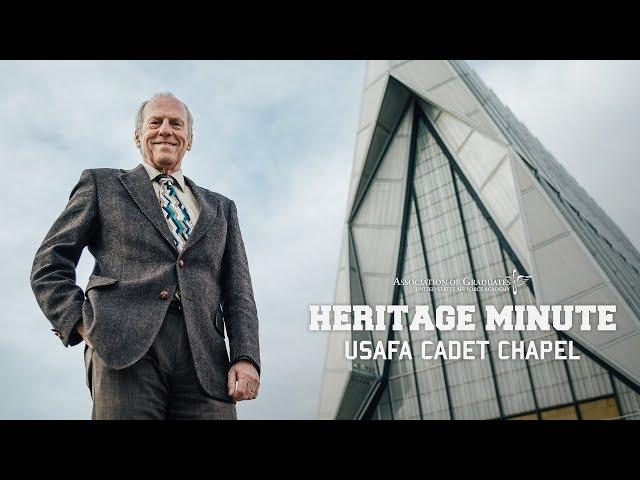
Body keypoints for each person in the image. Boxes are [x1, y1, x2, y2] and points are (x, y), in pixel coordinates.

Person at [30, 92, 260, 420]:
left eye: (176, 124)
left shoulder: (221, 208)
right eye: (156, 122)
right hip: (123, 347)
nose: (166, 129)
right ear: (138, 136)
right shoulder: (102, 184)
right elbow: (49, 262)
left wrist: (246, 357)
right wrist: (80, 322)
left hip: (206, 359)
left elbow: (239, 294)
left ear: (189, 139)